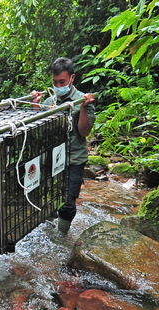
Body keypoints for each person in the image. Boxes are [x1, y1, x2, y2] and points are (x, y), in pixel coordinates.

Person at [31, 57, 96, 234]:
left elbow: (84, 132)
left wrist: (82, 108)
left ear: (72, 78)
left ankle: (61, 238)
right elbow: (38, 133)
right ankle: (48, 231)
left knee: (67, 204)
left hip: (74, 159)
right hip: (51, 159)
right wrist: (36, 107)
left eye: (63, 82)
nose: (59, 87)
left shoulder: (83, 100)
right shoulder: (49, 102)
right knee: (49, 199)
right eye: (55, 82)